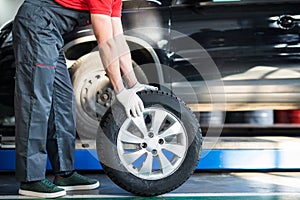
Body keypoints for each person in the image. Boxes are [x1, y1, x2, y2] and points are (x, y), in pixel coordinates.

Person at [12, 0, 156, 198]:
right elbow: (105, 42)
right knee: (36, 102)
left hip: (50, 32)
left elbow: (118, 39)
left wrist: (133, 84)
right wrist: (120, 90)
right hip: (36, 26)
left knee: (62, 102)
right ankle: (30, 179)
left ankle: (64, 174)